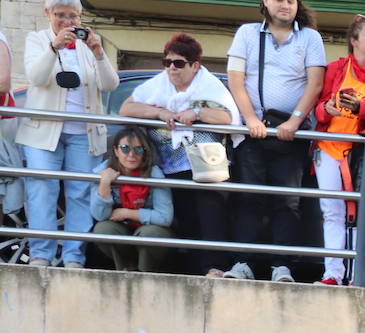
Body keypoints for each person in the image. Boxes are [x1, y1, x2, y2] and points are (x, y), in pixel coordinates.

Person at [120, 33, 239, 279]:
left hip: (207, 166)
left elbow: (228, 117)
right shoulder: (157, 85)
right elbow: (126, 108)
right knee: (185, 217)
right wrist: (160, 112)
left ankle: (215, 267)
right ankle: (191, 269)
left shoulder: (209, 85)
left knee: (211, 216)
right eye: (167, 62)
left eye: (179, 63)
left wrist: (196, 112)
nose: (171, 68)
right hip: (170, 164)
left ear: (195, 65)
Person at [223, 0, 325, 282]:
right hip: (253, 132)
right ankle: (243, 263)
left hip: (291, 136)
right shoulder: (247, 33)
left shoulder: (310, 37)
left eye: (291, 0)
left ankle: (282, 266)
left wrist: (294, 121)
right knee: (249, 199)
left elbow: (315, 83)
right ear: (264, 3)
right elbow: (235, 78)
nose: (285, 4)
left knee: (288, 203)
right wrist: (249, 119)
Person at [16, 0, 119, 269]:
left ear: (81, 16)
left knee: (81, 193)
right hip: (43, 132)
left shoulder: (89, 44)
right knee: (41, 191)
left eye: (73, 16)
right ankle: (41, 255)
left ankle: (74, 258)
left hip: (83, 132)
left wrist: (98, 52)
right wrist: (54, 47)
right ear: (47, 14)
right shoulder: (37, 39)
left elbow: (111, 84)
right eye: (60, 16)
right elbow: (36, 78)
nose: (67, 22)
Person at [311, 14, 365, 286]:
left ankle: (355, 276)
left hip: (361, 150)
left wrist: (359, 108)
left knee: (358, 212)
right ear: (354, 40)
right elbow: (319, 109)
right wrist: (327, 109)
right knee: (332, 211)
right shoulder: (335, 68)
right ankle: (333, 274)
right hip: (329, 146)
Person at [90, 126, 174, 272]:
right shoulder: (102, 172)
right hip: (121, 230)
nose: (131, 155)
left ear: (145, 152)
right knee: (103, 229)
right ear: (116, 150)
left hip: (150, 230)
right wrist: (104, 183)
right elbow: (99, 215)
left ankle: (144, 272)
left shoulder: (154, 173)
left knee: (151, 234)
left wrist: (127, 213)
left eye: (138, 149)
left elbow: (165, 217)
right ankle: (126, 268)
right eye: (125, 148)